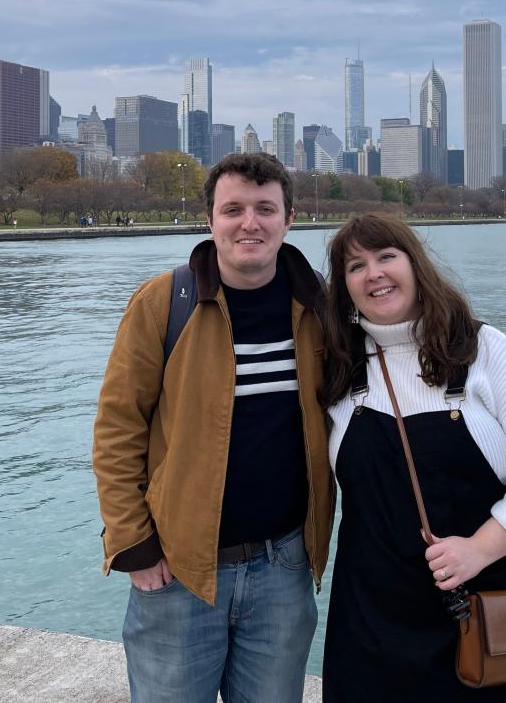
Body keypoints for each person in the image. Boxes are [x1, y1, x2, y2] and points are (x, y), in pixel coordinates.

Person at [319, 212, 506, 701]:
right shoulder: (340, 372)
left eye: (387, 257)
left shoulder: (483, 351)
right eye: (356, 266)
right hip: (374, 621)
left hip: (494, 616)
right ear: (344, 288)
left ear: (415, 264)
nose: (375, 274)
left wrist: (478, 549)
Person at [93, 152, 334, 703]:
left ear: (289, 219)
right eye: (233, 209)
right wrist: (132, 545)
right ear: (210, 221)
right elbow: (117, 429)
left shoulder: (318, 306)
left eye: (265, 209)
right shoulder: (162, 303)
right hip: (178, 569)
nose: (249, 222)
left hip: (284, 566)